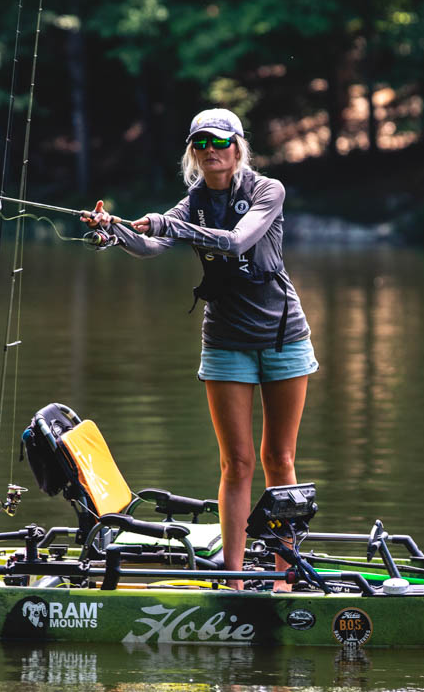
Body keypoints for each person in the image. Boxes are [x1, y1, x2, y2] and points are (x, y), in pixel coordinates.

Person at [82, 108, 316, 588]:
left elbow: (235, 242)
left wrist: (165, 225)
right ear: (193, 153)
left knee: (280, 460)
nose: (210, 151)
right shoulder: (193, 201)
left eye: (219, 142)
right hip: (226, 340)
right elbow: (150, 247)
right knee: (237, 463)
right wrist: (117, 231)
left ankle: (285, 579)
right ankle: (232, 581)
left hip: (282, 336)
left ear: (237, 147)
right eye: (200, 144)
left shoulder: (268, 191)